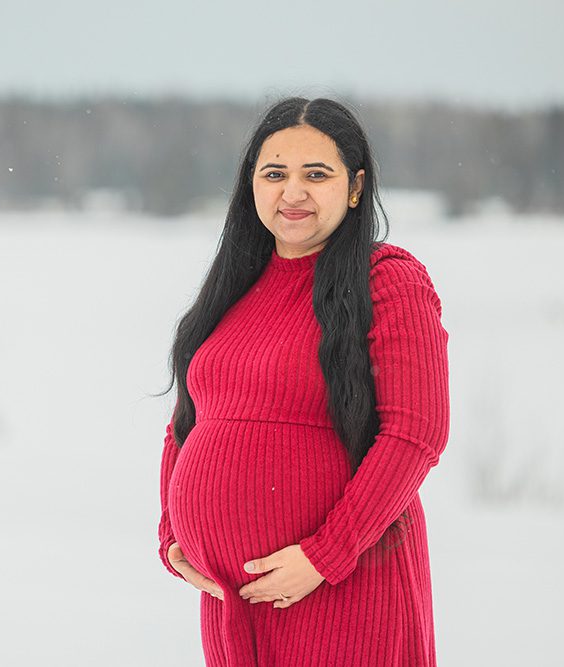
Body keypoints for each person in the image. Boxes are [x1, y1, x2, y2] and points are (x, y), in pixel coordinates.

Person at [155, 97, 450, 667]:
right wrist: (175, 538)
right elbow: (187, 424)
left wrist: (324, 555)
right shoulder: (235, 288)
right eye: (274, 173)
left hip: (347, 590)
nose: (293, 192)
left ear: (355, 186)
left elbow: (416, 434)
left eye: (317, 174)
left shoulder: (387, 281)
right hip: (235, 605)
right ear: (251, 185)